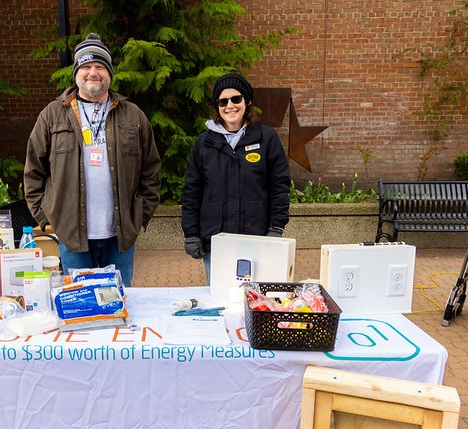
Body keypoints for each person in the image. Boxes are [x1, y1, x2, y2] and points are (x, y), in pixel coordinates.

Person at [24, 33, 161, 287]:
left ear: (109, 73)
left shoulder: (133, 115)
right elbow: (33, 171)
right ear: (77, 72)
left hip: (119, 236)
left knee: (119, 301)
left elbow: (151, 169)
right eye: (86, 66)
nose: (93, 73)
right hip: (72, 236)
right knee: (81, 305)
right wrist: (46, 217)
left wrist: (140, 216)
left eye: (99, 66)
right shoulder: (52, 115)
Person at [181, 72, 291, 281]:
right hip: (216, 240)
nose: (230, 105)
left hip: (257, 239)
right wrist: (191, 233)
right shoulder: (204, 143)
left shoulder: (267, 138)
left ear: (247, 102)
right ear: (217, 106)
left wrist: (276, 227)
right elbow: (191, 192)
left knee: (255, 300)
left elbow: (280, 187)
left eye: (236, 99)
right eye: (223, 101)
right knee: (221, 298)